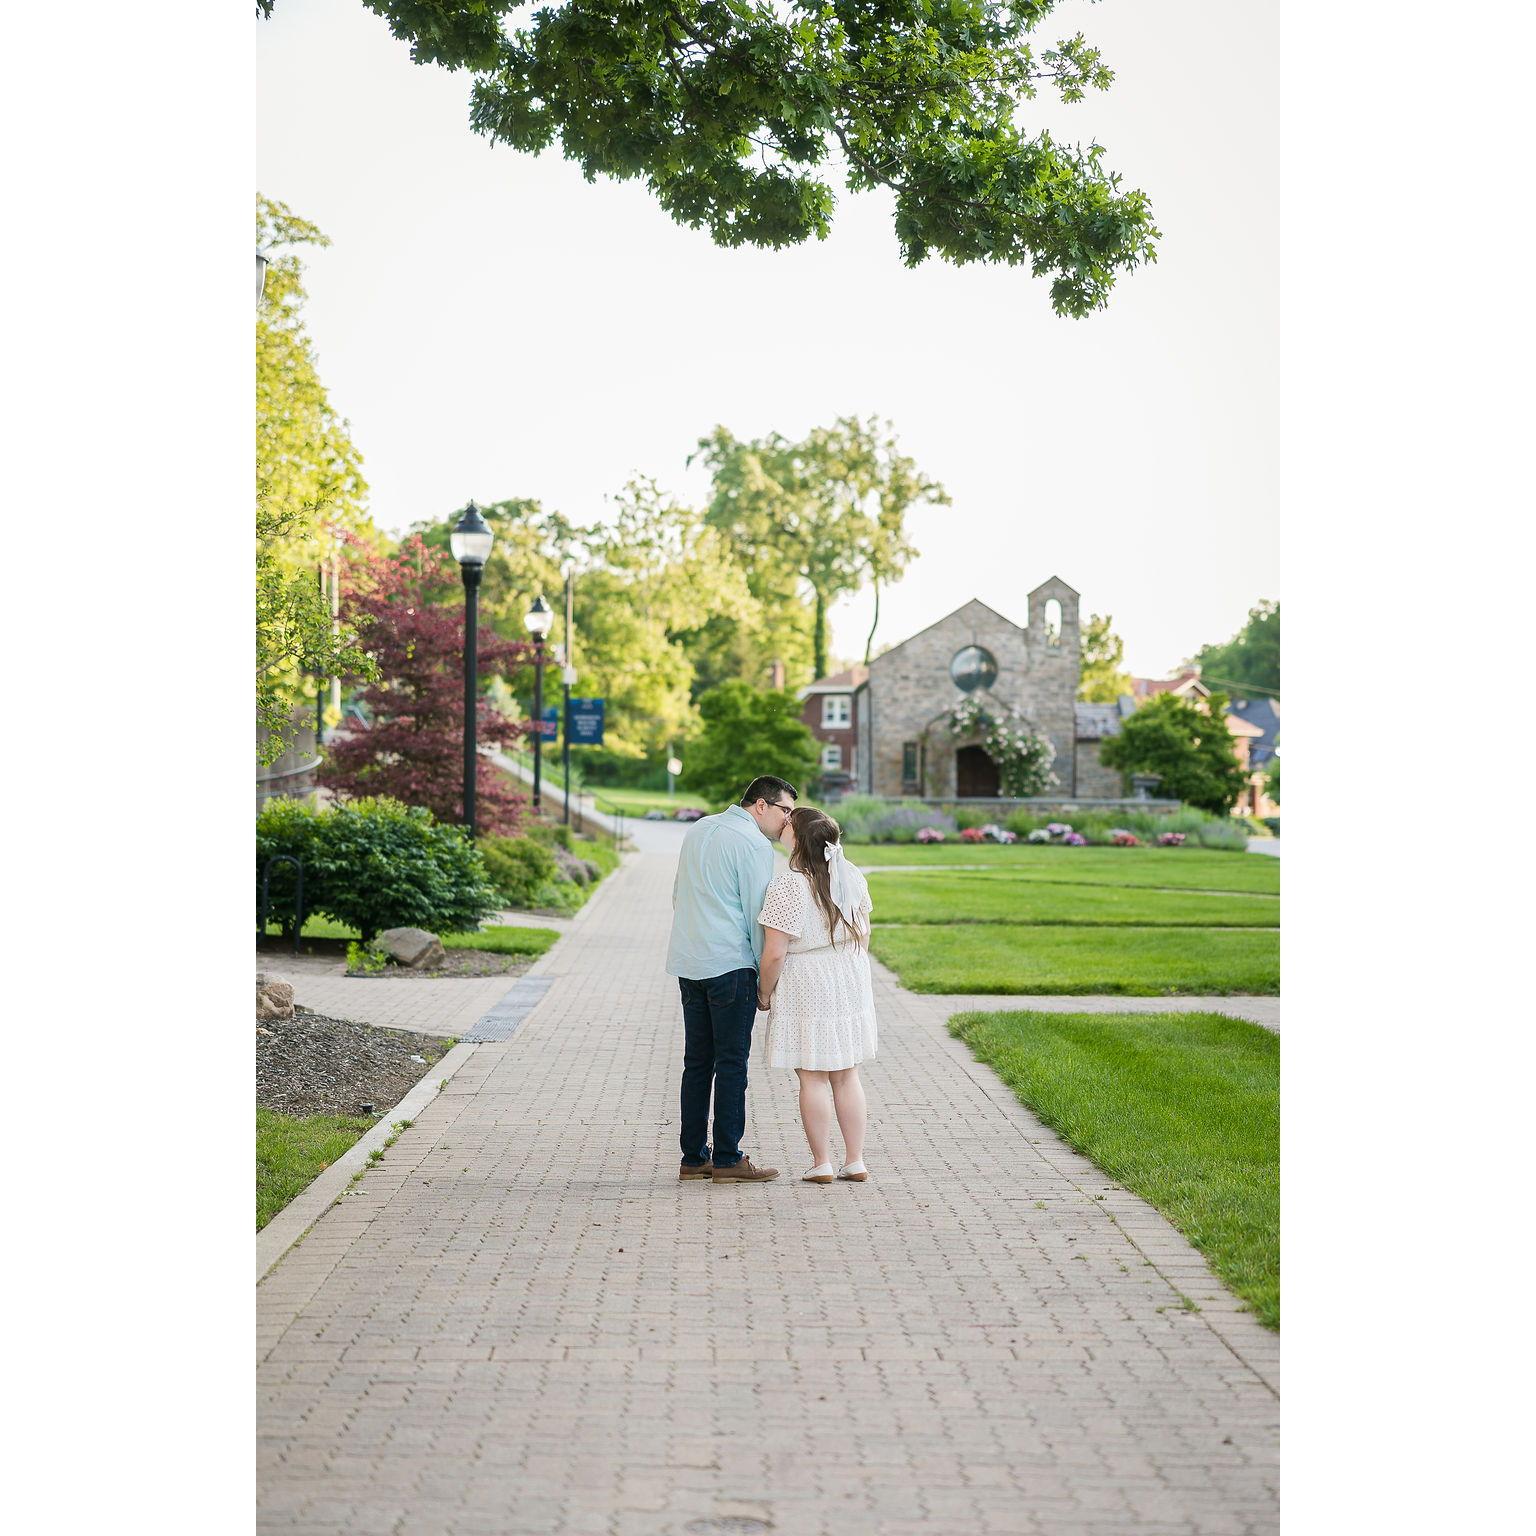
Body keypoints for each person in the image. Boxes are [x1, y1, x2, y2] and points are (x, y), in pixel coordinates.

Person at [665, 775, 798, 1182]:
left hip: (690, 960)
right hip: (730, 965)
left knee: (697, 1063)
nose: (788, 821)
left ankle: (693, 1158)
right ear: (761, 805)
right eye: (785, 810)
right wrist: (763, 982)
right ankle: (727, 1158)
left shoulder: (699, 828)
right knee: (731, 1064)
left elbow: (677, 894)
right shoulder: (754, 845)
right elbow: (759, 916)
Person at [755, 807, 877, 1184]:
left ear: (796, 838)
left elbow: (774, 953)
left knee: (812, 1077)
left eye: (788, 823)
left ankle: (822, 1162)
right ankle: (855, 1160)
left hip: (807, 980)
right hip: (848, 972)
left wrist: (764, 993)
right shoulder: (851, 874)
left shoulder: (788, 886)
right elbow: (865, 933)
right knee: (846, 1074)